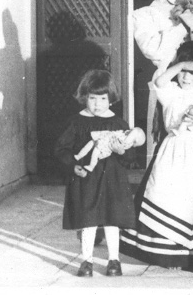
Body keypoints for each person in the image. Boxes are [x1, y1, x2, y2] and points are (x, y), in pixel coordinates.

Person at [121, 41, 193, 269]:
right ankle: (169, 253)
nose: (185, 76)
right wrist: (182, 63)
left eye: (192, 72)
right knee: (170, 196)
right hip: (175, 149)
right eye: (182, 71)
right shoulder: (171, 92)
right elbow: (159, 81)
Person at [54, 70, 146, 277]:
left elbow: (130, 157)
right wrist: (72, 165)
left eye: (102, 99)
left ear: (110, 99)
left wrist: (121, 150)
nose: (97, 104)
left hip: (113, 180)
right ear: (84, 97)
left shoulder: (119, 123)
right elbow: (62, 148)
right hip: (87, 179)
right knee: (88, 220)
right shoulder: (77, 122)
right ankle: (86, 261)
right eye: (92, 98)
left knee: (112, 221)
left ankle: (114, 260)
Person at [133, 0, 190, 159]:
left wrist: (189, 12)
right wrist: (179, 23)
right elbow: (154, 50)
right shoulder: (143, 14)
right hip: (168, 81)